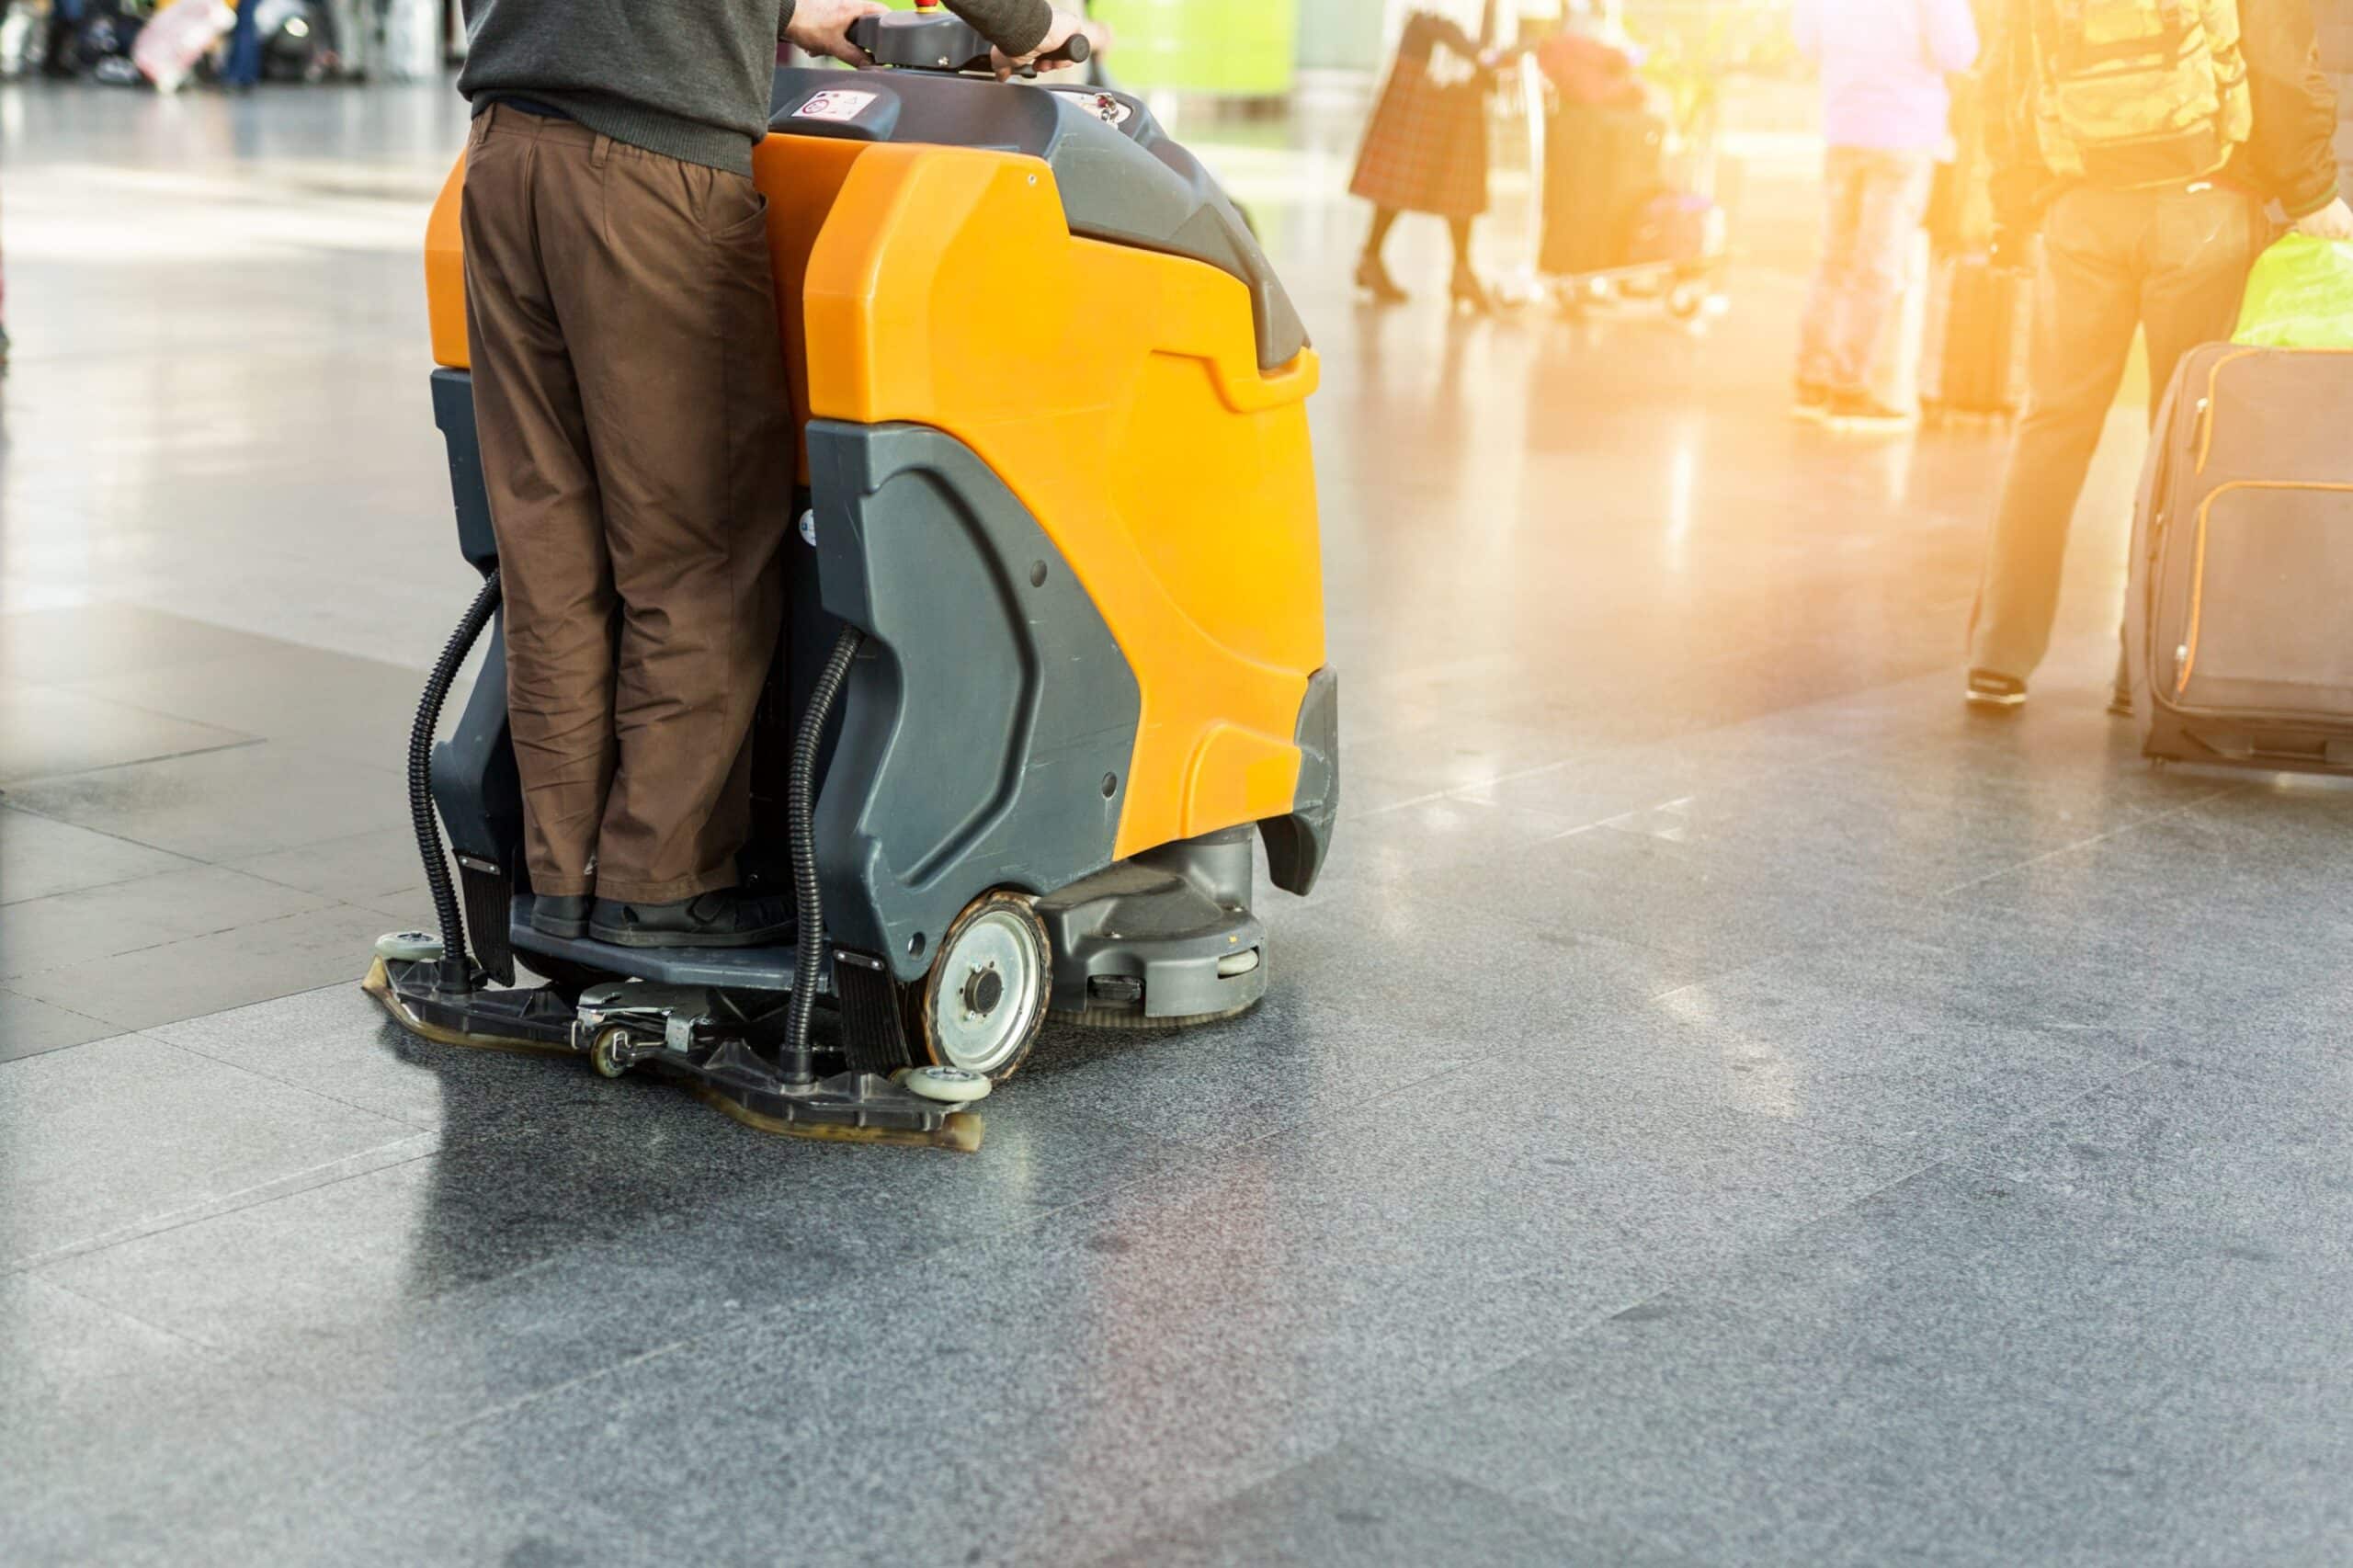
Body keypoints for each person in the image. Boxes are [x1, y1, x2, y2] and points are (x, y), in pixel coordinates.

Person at [455, 0, 1094, 949]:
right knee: (695, 551)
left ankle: (561, 877)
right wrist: (1026, 27)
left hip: (503, 155)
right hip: (650, 171)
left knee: (551, 553)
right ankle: (656, 885)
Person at [1964, 0, 2348, 711]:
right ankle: (2143, 669)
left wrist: (2016, 205)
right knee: (2182, 441)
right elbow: (2276, 63)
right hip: (2203, 208)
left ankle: (1998, 657)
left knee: (2050, 427)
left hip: (2078, 207)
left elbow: (2004, 64)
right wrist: (2313, 190)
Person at [1791, 0, 1981, 428]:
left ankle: (1810, 381)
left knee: (1833, 260)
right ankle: (1849, 386)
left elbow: (1806, 42)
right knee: (1876, 267)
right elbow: (1959, 52)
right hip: (1902, 133)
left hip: (1843, 126)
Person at [1351, 6, 1507, 315]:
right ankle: (1372, 258)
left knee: (1459, 178)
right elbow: (1427, 16)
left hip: (1463, 78)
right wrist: (1477, 52)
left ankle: (1461, 269)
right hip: (1427, 72)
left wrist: (1487, 58)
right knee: (1401, 174)